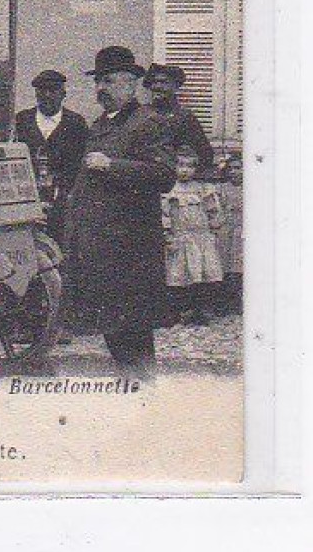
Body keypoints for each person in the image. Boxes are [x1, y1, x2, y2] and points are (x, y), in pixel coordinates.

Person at [62, 46, 177, 375]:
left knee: (134, 335)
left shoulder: (148, 122)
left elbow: (164, 175)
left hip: (130, 249)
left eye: (110, 82)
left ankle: (144, 398)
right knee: (115, 332)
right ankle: (136, 396)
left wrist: (113, 165)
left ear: (132, 84)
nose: (101, 89)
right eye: (99, 82)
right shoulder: (100, 125)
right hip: (101, 249)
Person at [13, 69, 90, 240]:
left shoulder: (76, 123)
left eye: (53, 90)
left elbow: (80, 163)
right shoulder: (22, 120)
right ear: (36, 93)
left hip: (62, 201)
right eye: (42, 90)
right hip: (27, 197)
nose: (47, 95)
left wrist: (65, 192)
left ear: (63, 94)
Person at [163, 148, 227, 325]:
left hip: (201, 238)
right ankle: (179, 311)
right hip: (180, 237)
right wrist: (167, 235)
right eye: (180, 165)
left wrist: (214, 230)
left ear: (196, 169)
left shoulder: (203, 189)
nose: (184, 170)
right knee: (179, 275)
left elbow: (213, 212)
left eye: (189, 166)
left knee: (201, 273)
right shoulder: (169, 190)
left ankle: (199, 311)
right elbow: (165, 214)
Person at [143, 63, 216, 175]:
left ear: (175, 86)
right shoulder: (141, 113)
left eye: (163, 82)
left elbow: (205, 154)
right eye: (154, 82)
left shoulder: (184, 117)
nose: (157, 86)